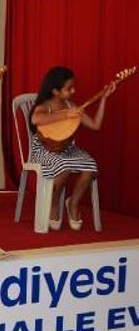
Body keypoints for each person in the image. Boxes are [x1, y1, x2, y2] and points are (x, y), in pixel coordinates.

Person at [29, 66, 115, 231]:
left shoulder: (71, 105)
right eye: (69, 88)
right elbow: (35, 119)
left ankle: (73, 203)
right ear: (55, 91)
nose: (74, 90)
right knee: (64, 167)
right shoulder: (45, 106)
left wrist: (104, 99)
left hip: (67, 148)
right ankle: (54, 202)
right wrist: (65, 114)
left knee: (90, 165)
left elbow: (95, 126)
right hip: (44, 149)